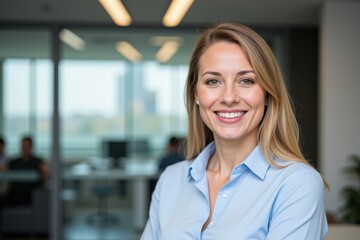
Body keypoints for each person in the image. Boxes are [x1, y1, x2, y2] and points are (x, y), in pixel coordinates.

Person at [141, 22, 328, 239]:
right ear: (195, 94)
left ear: (267, 93)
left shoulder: (297, 184)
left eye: (246, 81)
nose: (229, 97)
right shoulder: (171, 180)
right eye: (213, 81)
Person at [0, 135, 49, 207]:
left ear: (31, 147)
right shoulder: (15, 162)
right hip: (14, 194)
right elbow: (3, 167)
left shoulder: (37, 161)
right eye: (23, 146)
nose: (25, 149)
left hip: (29, 194)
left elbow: (46, 171)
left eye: (27, 146)